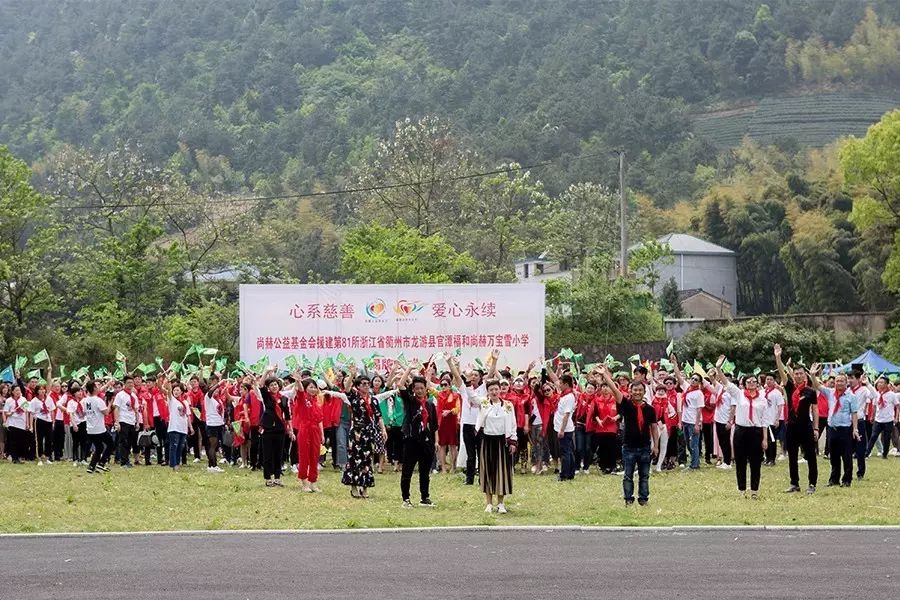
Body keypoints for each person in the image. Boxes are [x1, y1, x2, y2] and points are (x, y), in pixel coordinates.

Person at [600, 367, 658, 506]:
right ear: (630, 391)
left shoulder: (650, 409)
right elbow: (615, 389)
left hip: (644, 446)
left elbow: (654, 428)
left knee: (644, 476)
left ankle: (643, 499)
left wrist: (655, 446)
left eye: (640, 390)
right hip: (629, 447)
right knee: (628, 475)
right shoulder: (626, 404)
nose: (637, 393)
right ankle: (628, 499)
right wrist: (605, 375)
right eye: (635, 390)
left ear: (644, 392)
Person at [774, 344, 818, 495]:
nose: (798, 376)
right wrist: (778, 357)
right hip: (791, 427)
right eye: (796, 374)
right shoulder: (790, 387)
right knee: (792, 456)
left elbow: (815, 410)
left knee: (811, 456)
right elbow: (781, 372)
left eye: (801, 374)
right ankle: (794, 483)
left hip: (806, 426)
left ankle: (812, 484)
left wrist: (816, 428)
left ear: (805, 376)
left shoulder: (810, 391)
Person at [451, 351, 498, 485]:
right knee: (470, 453)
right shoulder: (464, 389)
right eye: (471, 375)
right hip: (467, 425)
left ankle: (482, 478)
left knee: (481, 453)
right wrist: (452, 364)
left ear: (480, 377)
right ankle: (469, 479)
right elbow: (456, 376)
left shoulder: (484, 388)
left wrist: (494, 360)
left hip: (480, 425)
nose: (473, 377)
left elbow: (491, 373)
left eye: (476, 375)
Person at [341, 365, 386, 498]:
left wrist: (383, 429)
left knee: (367, 460)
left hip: (369, 432)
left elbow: (378, 416)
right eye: (364, 384)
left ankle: (365, 487)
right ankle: (354, 486)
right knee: (354, 459)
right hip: (357, 432)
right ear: (358, 386)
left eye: (368, 383)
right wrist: (351, 375)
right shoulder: (354, 397)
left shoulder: (373, 400)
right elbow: (347, 389)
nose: (367, 386)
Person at [811, 367, 859, 488]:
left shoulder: (851, 396)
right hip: (833, 428)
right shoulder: (830, 393)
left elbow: (854, 413)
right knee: (834, 456)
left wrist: (855, 429)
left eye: (841, 381)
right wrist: (812, 375)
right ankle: (834, 479)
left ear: (846, 382)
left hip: (845, 429)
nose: (839, 383)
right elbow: (818, 386)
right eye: (837, 381)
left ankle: (847, 480)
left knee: (846, 456)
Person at [398, 368, 439, 508]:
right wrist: (409, 368)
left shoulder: (430, 405)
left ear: (426, 388)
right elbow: (400, 385)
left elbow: (434, 426)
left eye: (422, 388)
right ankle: (406, 498)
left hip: (427, 442)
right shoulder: (410, 401)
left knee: (424, 472)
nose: (420, 391)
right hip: (412, 440)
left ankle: (424, 497)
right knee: (408, 470)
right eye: (417, 388)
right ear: (413, 389)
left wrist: (436, 441)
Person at [475, 378, 516, 513]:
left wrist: (513, 441)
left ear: (500, 390)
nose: (494, 392)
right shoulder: (484, 404)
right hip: (487, 441)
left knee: (502, 472)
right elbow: (470, 395)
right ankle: (488, 503)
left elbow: (513, 424)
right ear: (487, 391)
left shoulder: (508, 405)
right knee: (488, 471)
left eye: (496, 389)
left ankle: (501, 503)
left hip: (502, 442)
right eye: (491, 389)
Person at [724, 371, 767, 498]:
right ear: (744, 384)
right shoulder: (739, 395)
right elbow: (727, 383)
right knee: (740, 461)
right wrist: (718, 368)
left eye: (754, 381)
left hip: (756, 431)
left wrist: (764, 438)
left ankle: (754, 490)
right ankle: (741, 489)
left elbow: (764, 419)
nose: (752, 383)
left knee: (755, 462)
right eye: (749, 382)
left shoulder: (762, 399)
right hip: (741, 430)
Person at [255, 367, 294, 487]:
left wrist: (291, 430)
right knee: (268, 454)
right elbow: (260, 385)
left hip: (280, 429)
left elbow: (288, 416)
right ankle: (268, 478)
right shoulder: (267, 397)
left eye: (276, 384)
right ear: (268, 387)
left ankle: (277, 478)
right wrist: (266, 371)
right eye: (271, 385)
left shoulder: (284, 398)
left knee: (279, 454)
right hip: (268, 429)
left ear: (279, 385)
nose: (274, 386)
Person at [293, 378, 326, 492]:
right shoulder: (302, 399)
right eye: (310, 387)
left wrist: (322, 434)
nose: (313, 389)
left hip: (315, 431)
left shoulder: (316, 402)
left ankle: (313, 482)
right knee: (304, 457)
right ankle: (304, 483)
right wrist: (298, 381)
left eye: (314, 387)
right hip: (304, 430)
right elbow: (300, 391)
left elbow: (320, 420)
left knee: (315, 457)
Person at [673, 357, 704, 470]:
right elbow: (678, 376)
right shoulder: (687, 388)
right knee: (688, 444)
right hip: (686, 421)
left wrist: (697, 424)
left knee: (694, 444)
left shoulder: (699, 393)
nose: (693, 380)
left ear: (699, 383)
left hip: (693, 422)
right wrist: (675, 363)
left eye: (696, 380)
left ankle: (694, 465)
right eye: (692, 378)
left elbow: (699, 410)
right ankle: (694, 462)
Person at [83, 380, 113, 474]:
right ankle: (102, 462)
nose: (99, 388)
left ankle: (92, 466)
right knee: (111, 444)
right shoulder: (98, 400)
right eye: (97, 386)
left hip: (90, 429)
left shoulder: (86, 400)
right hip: (99, 429)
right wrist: (110, 404)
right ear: (94, 388)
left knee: (99, 447)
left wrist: (107, 384)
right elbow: (106, 412)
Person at [866, 376, 899, 459]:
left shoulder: (892, 395)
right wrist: (872, 416)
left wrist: (896, 417)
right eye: (879, 382)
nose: (879, 384)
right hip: (878, 419)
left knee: (887, 438)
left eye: (882, 382)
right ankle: (867, 453)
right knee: (873, 436)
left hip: (888, 420)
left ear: (887, 384)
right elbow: (874, 406)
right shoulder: (876, 394)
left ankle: (884, 454)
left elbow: (898, 406)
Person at [163, 379, 192, 470]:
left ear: (182, 392)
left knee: (180, 446)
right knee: (173, 446)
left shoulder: (185, 403)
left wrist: (190, 427)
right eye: (174, 390)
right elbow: (167, 389)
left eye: (178, 390)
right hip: (174, 427)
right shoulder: (171, 400)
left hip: (183, 427)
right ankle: (173, 464)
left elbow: (187, 416)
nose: (176, 392)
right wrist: (168, 380)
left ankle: (177, 463)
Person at [435, 374, 460, 474]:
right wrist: (427, 374)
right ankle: (444, 468)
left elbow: (458, 409)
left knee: (453, 445)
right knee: (442, 446)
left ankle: (453, 467)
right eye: (442, 385)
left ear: (450, 385)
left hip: (451, 423)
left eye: (445, 385)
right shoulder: (439, 395)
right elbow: (428, 387)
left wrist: (449, 411)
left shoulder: (455, 396)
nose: (443, 387)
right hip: (441, 424)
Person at [113, 376, 138, 469]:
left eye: (132, 382)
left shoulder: (134, 396)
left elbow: (135, 410)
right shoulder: (120, 395)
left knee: (130, 442)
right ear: (124, 384)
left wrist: (137, 422)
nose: (130, 384)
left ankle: (127, 460)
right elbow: (116, 408)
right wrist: (117, 422)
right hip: (123, 421)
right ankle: (123, 462)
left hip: (132, 421)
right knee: (123, 441)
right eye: (128, 383)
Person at [554, 374, 577, 481]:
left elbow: (566, 415)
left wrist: (562, 430)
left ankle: (564, 474)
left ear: (566, 384)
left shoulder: (569, 397)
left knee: (565, 452)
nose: (559, 385)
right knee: (568, 451)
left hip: (565, 429)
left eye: (561, 383)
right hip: (562, 427)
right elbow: (554, 380)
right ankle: (571, 473)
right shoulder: (564, 394)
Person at [204, 375, 227, 473]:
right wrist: (218, 383)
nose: (216, 391)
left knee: (216, 445)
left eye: (218, 390)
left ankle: (211, 464)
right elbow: (210, 392)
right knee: (213, 445)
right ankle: (213, 465)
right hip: (212, 424)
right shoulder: (208, 398)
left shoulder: (218, 400)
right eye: (215, 390)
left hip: (218, 424)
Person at [3, 385, 31, 464]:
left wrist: (27, 423)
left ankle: (20, 456)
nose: (18, 392)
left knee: (21, 441)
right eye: (16, 390)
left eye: (19, 390)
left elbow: (26, 412)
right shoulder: (9, 400)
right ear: (12, 392)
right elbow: (6, 413)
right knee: (13, 441)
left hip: (22, 423)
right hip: (12, 422)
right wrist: (10, 413)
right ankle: (14, 458)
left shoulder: (24, 399)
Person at [761, 374, 785, 466]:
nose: (769, 381)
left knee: (772, 440)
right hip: (763, 420)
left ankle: (772, 459)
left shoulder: (777, 393)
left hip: (772, 419)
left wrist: (777, 419)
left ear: (774, 381)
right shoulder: (762, 392)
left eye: (771, 379)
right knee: (765, 440)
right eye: (767, 379)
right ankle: (766, 458)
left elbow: (780, 407)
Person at [31, 384, 55, 465]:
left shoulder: (49, 399)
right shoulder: (34, 401)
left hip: (48, 420)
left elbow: (52, 410)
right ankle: (39, 457)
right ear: (37, 391)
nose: (42, 391)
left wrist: (53, 421)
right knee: (39, 440)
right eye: (40, 389)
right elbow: (31, 413)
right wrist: (31, 425)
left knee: (49, 439)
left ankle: (47, 456)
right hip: (39, 421)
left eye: (43, 389)